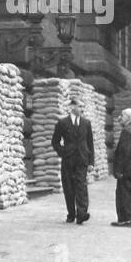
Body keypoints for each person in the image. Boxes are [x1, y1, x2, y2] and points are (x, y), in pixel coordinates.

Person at [51, 96, 93, 224]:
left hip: (82, 159)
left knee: (81, 186)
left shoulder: (86, 123)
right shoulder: (62, 123)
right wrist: (63, 152)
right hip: (68, 159)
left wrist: (91, 162)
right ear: (72, 107)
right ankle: (71, 213)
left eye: (82, 107)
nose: (82, 109)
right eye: (80, 106)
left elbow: (90, 143)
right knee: (69, 187)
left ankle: (82, 214)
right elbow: (55, 142)